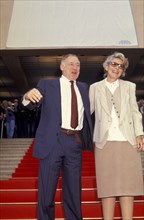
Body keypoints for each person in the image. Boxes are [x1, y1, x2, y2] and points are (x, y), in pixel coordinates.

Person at [22, 54, 93, 220]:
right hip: (53, 141)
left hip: (74, 142)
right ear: (62, 67)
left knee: (74, 192)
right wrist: (26, 96)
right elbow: (31, 103)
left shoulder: (84, 87)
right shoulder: (47, 84)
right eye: (70, 64)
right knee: (46, 192)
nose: (75, 67)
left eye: (77, 64)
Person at [89, 52, 144, 220]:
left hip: (127, 141)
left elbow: (135, 113)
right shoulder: (95, 87)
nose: (117, 68)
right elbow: (86, 111)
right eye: (114, 64)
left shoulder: (129, 87)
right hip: (104, 142)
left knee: (128, 187)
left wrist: (139, 134)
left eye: (121, 66)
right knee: (107, 187)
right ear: (106, 66)